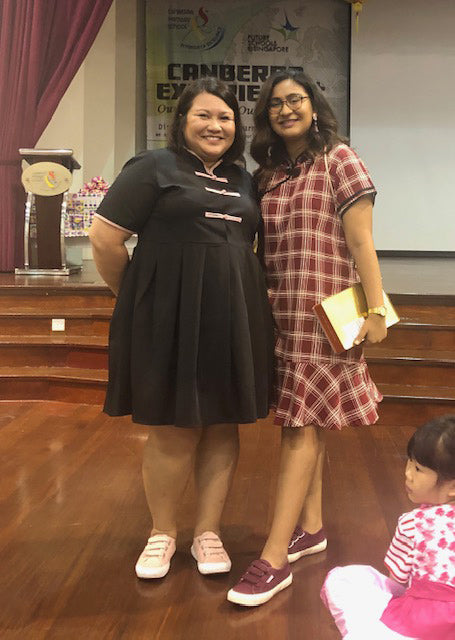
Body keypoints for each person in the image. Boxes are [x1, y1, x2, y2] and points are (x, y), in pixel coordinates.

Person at [89, 78, 274, 581]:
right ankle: (163, 533)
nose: (216, 126)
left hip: (234, 314)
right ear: (182, 121)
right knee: (172, 427)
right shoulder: (151, 167)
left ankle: (208, 532)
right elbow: (105, 239)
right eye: (204, 116)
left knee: (222, 422)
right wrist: (133, 298)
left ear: (237, 128)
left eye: (226, 118)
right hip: (166, 315)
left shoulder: (243, 177)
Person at [227, 70, 387, 606]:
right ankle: (312, 528)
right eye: (275, 103)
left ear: (314, 107)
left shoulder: (339, 158)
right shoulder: (268, 173)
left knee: (300, 426)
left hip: (324, 316)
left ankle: (274, 558)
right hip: (280, 312)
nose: (286, 109)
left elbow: (362, 242)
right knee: (305, 420)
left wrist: (378, 310)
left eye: (296, 100)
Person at [321, 415, 455, 639]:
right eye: (409, 462)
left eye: (418, 469)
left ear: (452, 486)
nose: (407, 474)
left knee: (343, 580)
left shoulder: (412, 524)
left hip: (418, 622)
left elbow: (397, 580)